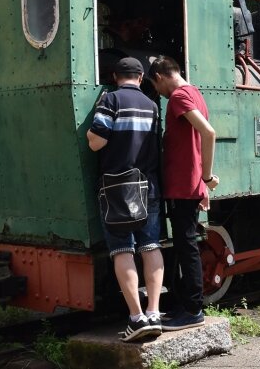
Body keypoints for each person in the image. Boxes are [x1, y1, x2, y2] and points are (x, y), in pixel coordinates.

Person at [86, 57, 165, 342]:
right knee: (150, 246)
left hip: (117, 188)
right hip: (149, 187)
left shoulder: (111, 101)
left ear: (115, 76)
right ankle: (155, 312)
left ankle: (136, 318)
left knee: (122, 250)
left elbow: (97, 141)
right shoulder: (152, 105)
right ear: (141, 77)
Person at [148, 55, 219, 331]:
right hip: (187, 185)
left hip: (183, 185)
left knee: (186, 247)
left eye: (155, 86)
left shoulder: (178, 97)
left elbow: (208, 133)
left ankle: (193, 310)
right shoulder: (194, 93)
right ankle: (184, 305)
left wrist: (206, 178)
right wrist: (202, 185)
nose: (158, 93)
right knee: (183, 246)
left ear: (160, 77)